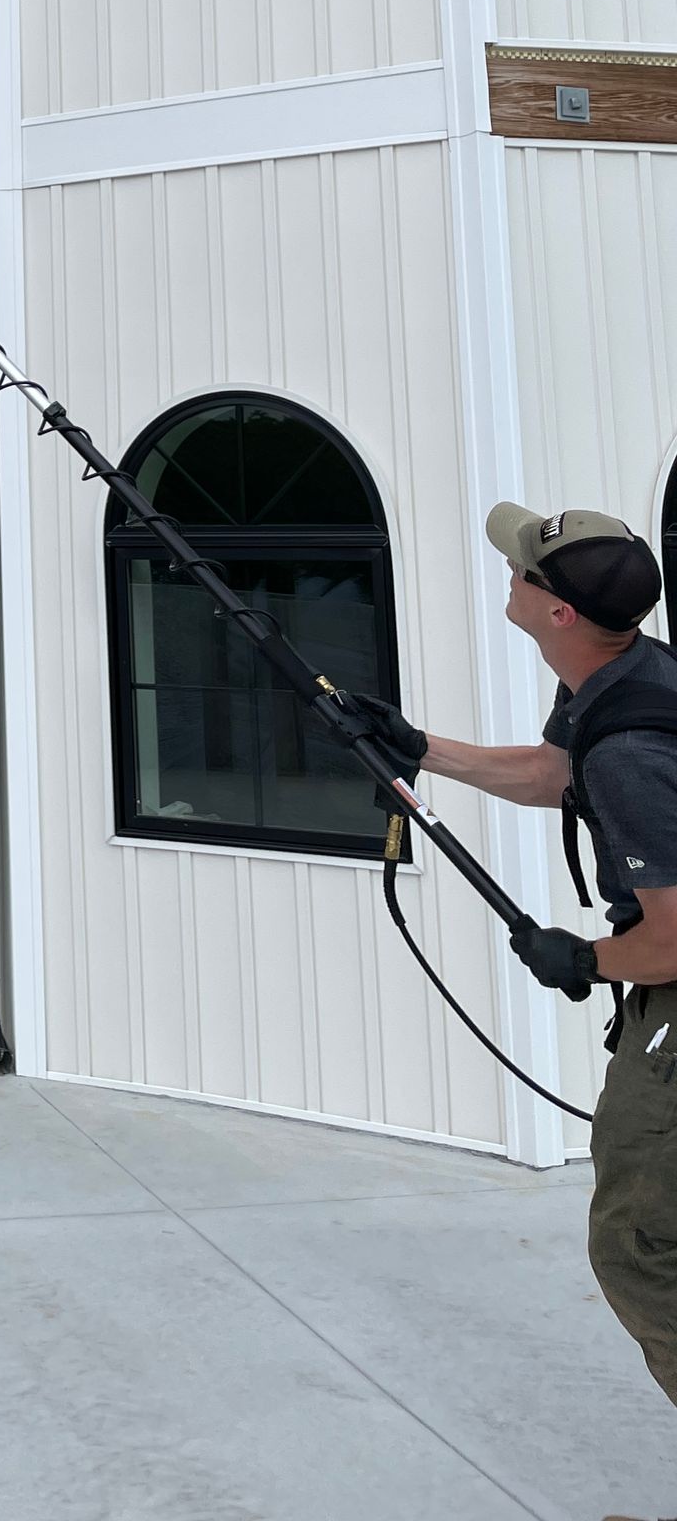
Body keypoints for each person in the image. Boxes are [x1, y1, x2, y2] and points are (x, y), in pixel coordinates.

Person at [345, 503, 677, 1420]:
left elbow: (674, 936)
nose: (510, 574)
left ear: (557, 610)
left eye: (523, 569)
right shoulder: (625, 678)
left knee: (640, 1248)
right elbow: (549, 774)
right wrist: (419, 747)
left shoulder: (633, 751)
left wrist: (585, 957)